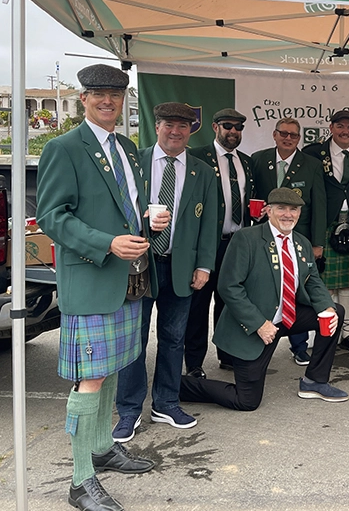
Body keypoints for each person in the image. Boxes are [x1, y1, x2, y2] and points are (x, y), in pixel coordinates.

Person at [37, 64, 167, 511]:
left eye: (116, 93)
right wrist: (106, 243)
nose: (108, 100)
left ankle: (101, 448)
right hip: (93, 278)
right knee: (89, 378)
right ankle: (79, 480)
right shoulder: (64, 147)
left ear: (125, 98)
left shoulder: (129, 148)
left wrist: (148, 221)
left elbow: (126, 206)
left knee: (111, 367)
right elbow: (52, 216)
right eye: (99, 93)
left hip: (130, 278)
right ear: (83, 97)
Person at [178, 188, 349, 411]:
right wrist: (259, 324)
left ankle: (314, 381)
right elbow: (228, 287)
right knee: (246, 401)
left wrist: (327, 308)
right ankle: (178, 385)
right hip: (255, 326)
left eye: (294, 209)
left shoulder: (302, 243)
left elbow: (312, 281)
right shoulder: (246, 239)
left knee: (336, 311)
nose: (288, 214)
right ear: (268, 211)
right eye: (281, 208)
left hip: (286, 318)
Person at [114, 102, 218, 442]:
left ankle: (166, 403)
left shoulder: (202, 171)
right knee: (134, 340)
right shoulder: (134, 162)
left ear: (191, 131)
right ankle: (128, 410)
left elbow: (210, 224)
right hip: (139, 266)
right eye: (169, 125)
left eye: (183, 126)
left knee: (173, 339)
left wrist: (204, 265)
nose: (176, 131)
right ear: (156, 126)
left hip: (181, 266)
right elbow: (118, 210)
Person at [185, 108, 256, 378]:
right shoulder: (197, 156)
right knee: (199, 305)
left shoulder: (246, 162)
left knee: (230, 303)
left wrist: (255, 212)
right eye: (228, 126)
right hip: (207, 244)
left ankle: (227, 355)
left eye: (238, 128)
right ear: (215, 126)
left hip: (237, 244)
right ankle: (194, 363)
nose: (233, 132)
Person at [252, 118, 327, 365]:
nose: (288, 138)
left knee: (298, 289)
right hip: (264, 237)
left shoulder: (312, 164)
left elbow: (319, 204)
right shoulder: (258, 160)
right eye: (283, 133)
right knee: (263, 287)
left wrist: (317, 243)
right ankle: (260, 339)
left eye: (294, 135)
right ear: (274, 135)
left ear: (299, 139)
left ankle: (299, 346)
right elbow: (250, 198)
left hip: (299, 238)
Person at [304, 110, 349, 354]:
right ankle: (326, 333)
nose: (345, 131)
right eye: (340, 126)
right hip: (325, 223)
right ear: (331, 127)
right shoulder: (313, 153)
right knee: (325, 283)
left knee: (348, 284)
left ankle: (347, 333)